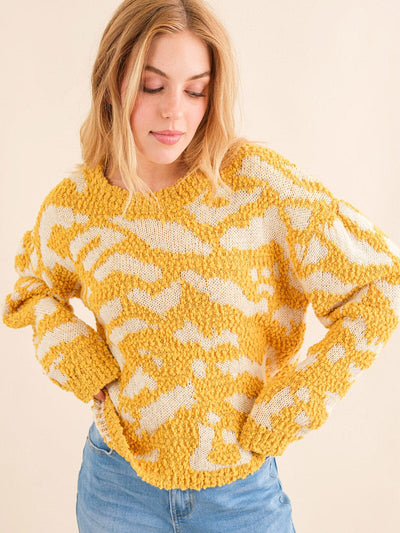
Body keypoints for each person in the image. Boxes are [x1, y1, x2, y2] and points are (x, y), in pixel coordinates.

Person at [2, 0, 400, 531]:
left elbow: (378, 285)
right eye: (152, 86)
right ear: (112, 84)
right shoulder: (74, 207)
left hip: (241, 497)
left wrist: (295, 403)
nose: (175, 111)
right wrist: (73, 351)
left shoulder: (256, 184)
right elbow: (32, 288)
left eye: (196, 90)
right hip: (116, 486)